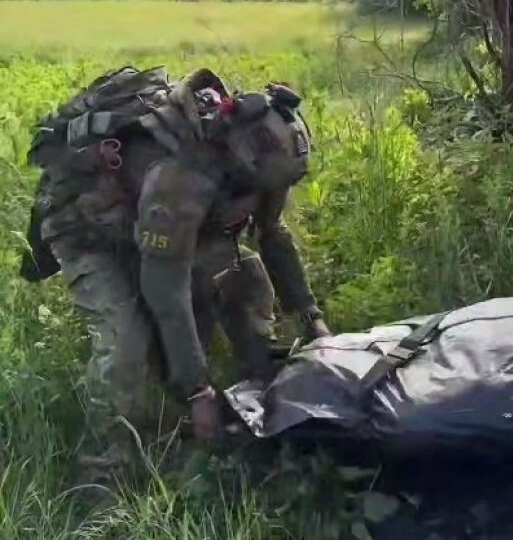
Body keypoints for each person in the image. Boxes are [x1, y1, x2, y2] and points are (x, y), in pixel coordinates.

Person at [21, 66, 331, 484]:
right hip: (88, 228)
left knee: (246, 277)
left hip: (153, 227)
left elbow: (271, 233)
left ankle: (257, 390)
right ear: (241, 156)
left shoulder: (270, 159)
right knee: (125, 340)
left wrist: (312, 317)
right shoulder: (181, 177)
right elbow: (166, 290)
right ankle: (106, 468)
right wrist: (197, 390)